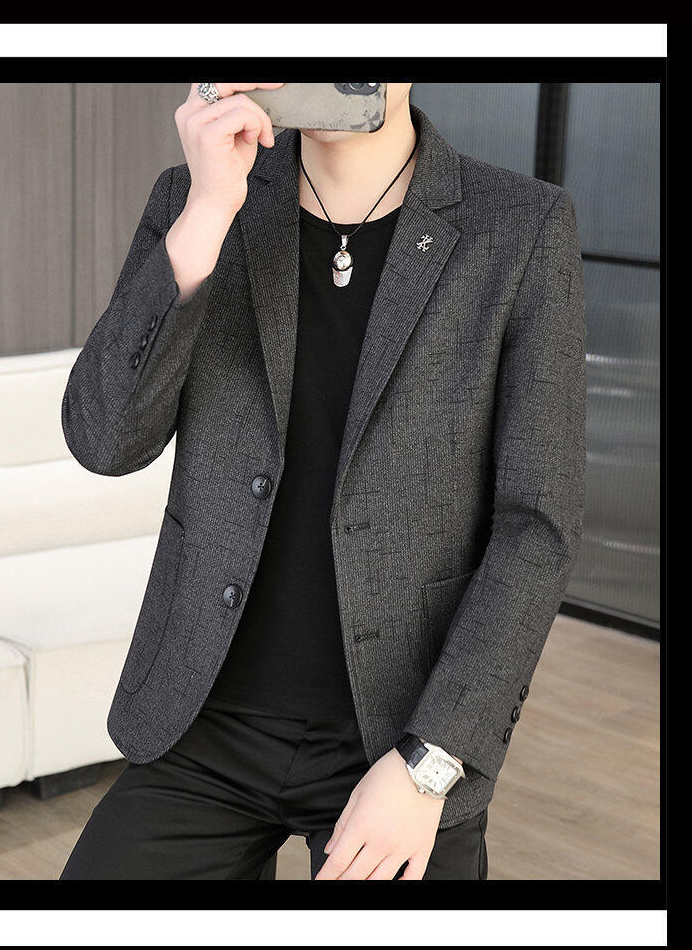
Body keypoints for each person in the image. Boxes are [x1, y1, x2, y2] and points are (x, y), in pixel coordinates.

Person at [59, 82, 585, 880]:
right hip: (202, 716)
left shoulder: (521, 224)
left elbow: (535, 529)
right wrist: (208, 211)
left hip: (398, 729)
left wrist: (429, 763)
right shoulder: (194, 198)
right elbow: (104, 442)